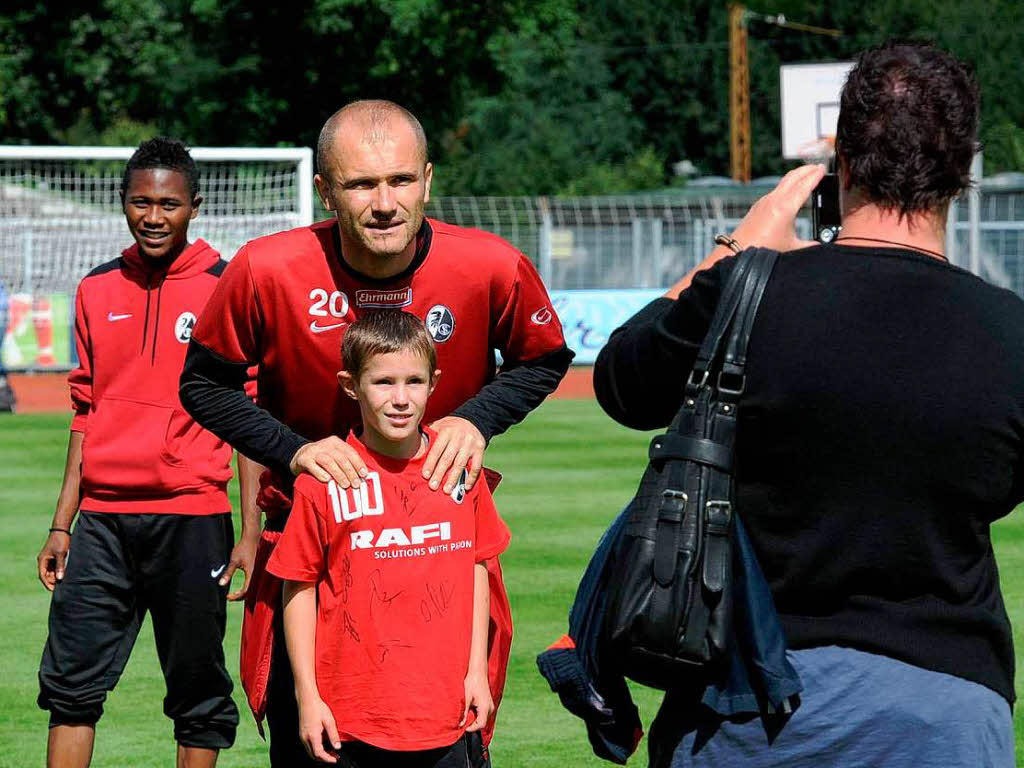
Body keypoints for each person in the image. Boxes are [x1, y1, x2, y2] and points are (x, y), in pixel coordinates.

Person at [594, 41, 1018, 767]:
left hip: (749, 701)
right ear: (961, 172)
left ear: (839, 162)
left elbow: (622, 380)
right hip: (945, 706)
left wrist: (735, 251)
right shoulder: (1011, 335)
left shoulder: (750, 298)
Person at [179, 99, 572, 764]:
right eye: (361, 184)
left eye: (400, 180)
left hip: (436, 555)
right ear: (325, 190)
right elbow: (202, 384)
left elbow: (544, 358)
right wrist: (295, 451)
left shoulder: (489, 265)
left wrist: (474, 419)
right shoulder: (266, 268)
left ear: (428, 180)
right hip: (313, 563)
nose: (385, 202)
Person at [35, 137, 259, 768]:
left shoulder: (226, 288)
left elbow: (246, 416)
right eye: (140, 202)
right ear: (123, 205)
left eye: (168, 203)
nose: (153, 216)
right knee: (70, 689)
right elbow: (86, 411)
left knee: (197, 694)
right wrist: (62, 523)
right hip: (102, 524)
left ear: (194, 207)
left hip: (193, 521)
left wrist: (250, 531)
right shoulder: (95, 288)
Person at [268, 311, 511, 766]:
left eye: (414, 381)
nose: (401, 399)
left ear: (434, 382)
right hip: (351, 719)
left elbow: (478, 568)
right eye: (383, 383)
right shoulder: (326, 479)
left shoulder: (457, 469)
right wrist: (308, 696)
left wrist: (478, 671)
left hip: (446, 713)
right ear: (350, 384)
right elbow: (297, 587)